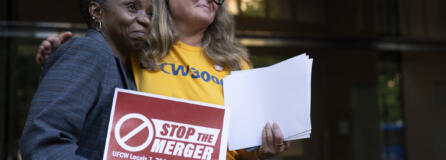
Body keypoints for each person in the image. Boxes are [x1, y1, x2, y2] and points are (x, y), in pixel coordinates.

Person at [34, 0, 291, 159]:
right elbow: (91, 83)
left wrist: (263, 150)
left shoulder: (237, 63)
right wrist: (60, 56)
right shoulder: (135, 47)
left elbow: (246, 149)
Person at [21, 0, 152, 159]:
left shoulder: (125, 69)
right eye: (132, 7)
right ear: (97, 12)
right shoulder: (89, 52)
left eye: (149, 13)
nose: (145, 20)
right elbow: (43, 142)